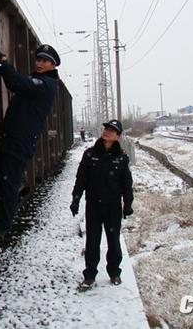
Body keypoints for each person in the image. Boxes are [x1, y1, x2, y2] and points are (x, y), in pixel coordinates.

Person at [0, 44, 61, 235]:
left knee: (9, 182)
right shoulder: (38, 81)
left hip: (20, 141)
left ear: (53, 65)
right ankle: (1, 221)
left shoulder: (46, 85)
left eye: (45, 61)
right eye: (38, 59)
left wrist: (4, 64)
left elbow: (15, 83)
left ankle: (3, 227)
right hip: (14, 138)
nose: (40, 63)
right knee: (4, 179)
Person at [70, 119, 134, 291]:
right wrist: (76, 198)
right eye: (106, 128)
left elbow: (126, 182)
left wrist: (128, 203)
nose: (107, 131)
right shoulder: (90, 154)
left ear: (118, 136)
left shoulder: (121, 157)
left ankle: (114, 272)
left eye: (112, 130)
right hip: (93, 205)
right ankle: (90, 275)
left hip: (113, 206)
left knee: (113, 241)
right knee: (92, 241)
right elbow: (81, 178)